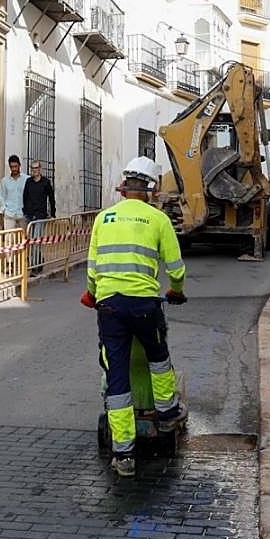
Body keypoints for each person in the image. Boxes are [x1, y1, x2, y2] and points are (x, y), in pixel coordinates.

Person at [82, 156, 188, 478]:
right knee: (157, 358)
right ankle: (167, 413)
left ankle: (124, 453)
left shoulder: (103, 218)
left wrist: (92, 294)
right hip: (145, 306)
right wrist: (177, 290)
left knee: (116, 375)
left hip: (109, 307)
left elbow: (92, 268)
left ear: (124, 185)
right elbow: (176, 268)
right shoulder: (158, 220)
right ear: (151, 188)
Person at [23, 160, 56, 272]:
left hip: (41, 216)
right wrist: (25, 211)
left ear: (40, 169)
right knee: (30, 241)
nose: (34, 170)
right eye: (32, 168)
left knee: (36, 241)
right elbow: (25, 197)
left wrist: (52, 214)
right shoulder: (28, 182)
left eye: (36, 168)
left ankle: (34, 267)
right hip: (29, 216)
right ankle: (39, 260)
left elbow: (51, 199)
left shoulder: (46, 182)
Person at [0, 155, 27, 232]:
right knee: (9, 239)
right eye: (11, 167)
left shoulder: (27, 179)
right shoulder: (4, 181)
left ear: (19, 165)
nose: (14, 169)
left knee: (25, 238)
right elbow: (1, 196)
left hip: (23, 213)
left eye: (15, 166)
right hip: (9, 214)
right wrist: (4, 210)